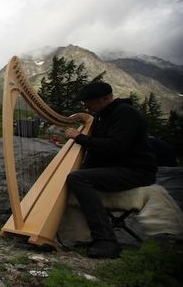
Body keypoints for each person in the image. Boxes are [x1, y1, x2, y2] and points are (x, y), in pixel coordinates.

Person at [64, 81, 157, 259]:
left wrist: (80, 138)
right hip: (116, 168)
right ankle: (80, 235)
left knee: (78, 179)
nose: (87, 106)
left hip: (136, 170)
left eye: (89, 102)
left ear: (106, 99)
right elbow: (98, 151)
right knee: (77, 177)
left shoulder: (126, 114)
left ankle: (106, 241)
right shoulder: (103, 116)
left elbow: (115, 146)